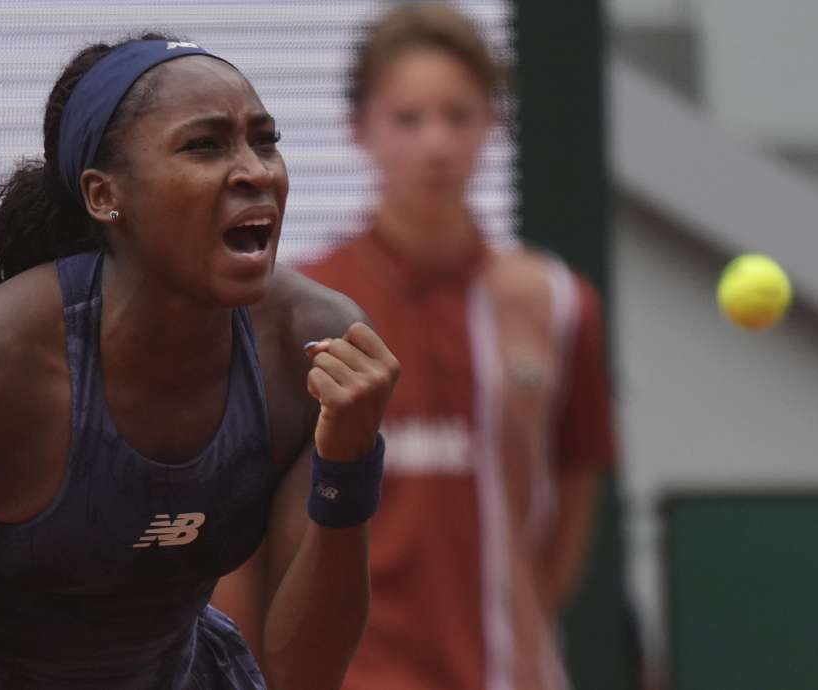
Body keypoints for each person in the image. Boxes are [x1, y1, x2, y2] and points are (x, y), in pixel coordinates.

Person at [0, 33, 399, 690]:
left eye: (264, 141)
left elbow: (307, 670)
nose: (256, 171)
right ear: (103, 196)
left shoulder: (312, 343)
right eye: (205, 145)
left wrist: (348, 461)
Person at [217, 5, 618, 690]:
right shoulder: (294, 308)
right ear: (360, 129)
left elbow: (573, 503)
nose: (435, 143)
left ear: (494, 125)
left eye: (458, 116)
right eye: (408, 119)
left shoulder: (558, 303)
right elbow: (238, 533)